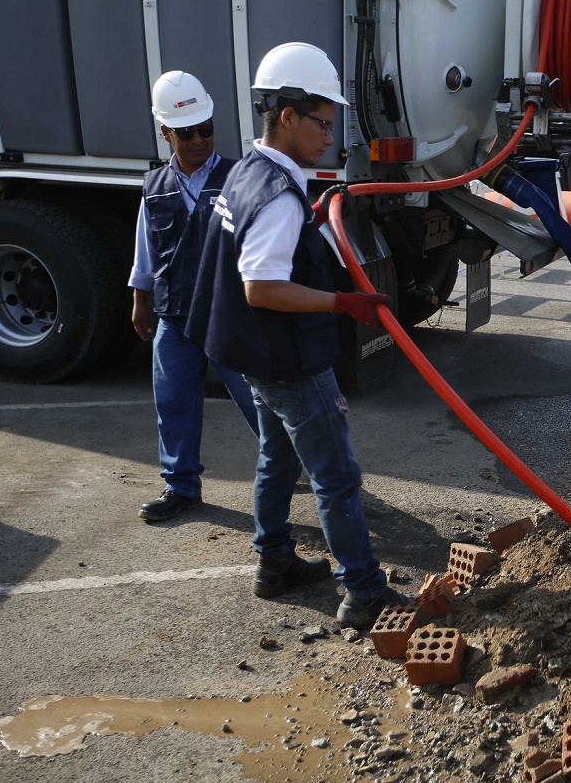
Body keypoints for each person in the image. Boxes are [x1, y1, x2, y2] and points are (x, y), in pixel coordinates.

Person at [186, 42, 407, 627]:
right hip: (289, 359)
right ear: (287, 116)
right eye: (322, 122)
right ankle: (363, 591)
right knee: (336, 476)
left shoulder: (244, 171)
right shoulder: (278, 196)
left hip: (255, 355)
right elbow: (261, 286)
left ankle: (275, 564)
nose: (330, 136)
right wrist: (344, 301)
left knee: (276, 460)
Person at [129, 71, 260, 523]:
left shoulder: (239, 177)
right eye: (187, 132)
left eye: (206, 129)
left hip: (228, 315)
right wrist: (140, 300)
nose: (200, 139)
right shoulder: (154, 187)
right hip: (174, 314)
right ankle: (180, 487)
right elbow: (146, 250)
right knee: (174, 401)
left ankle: (298, 463)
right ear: (166, 132)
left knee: (258, 396)